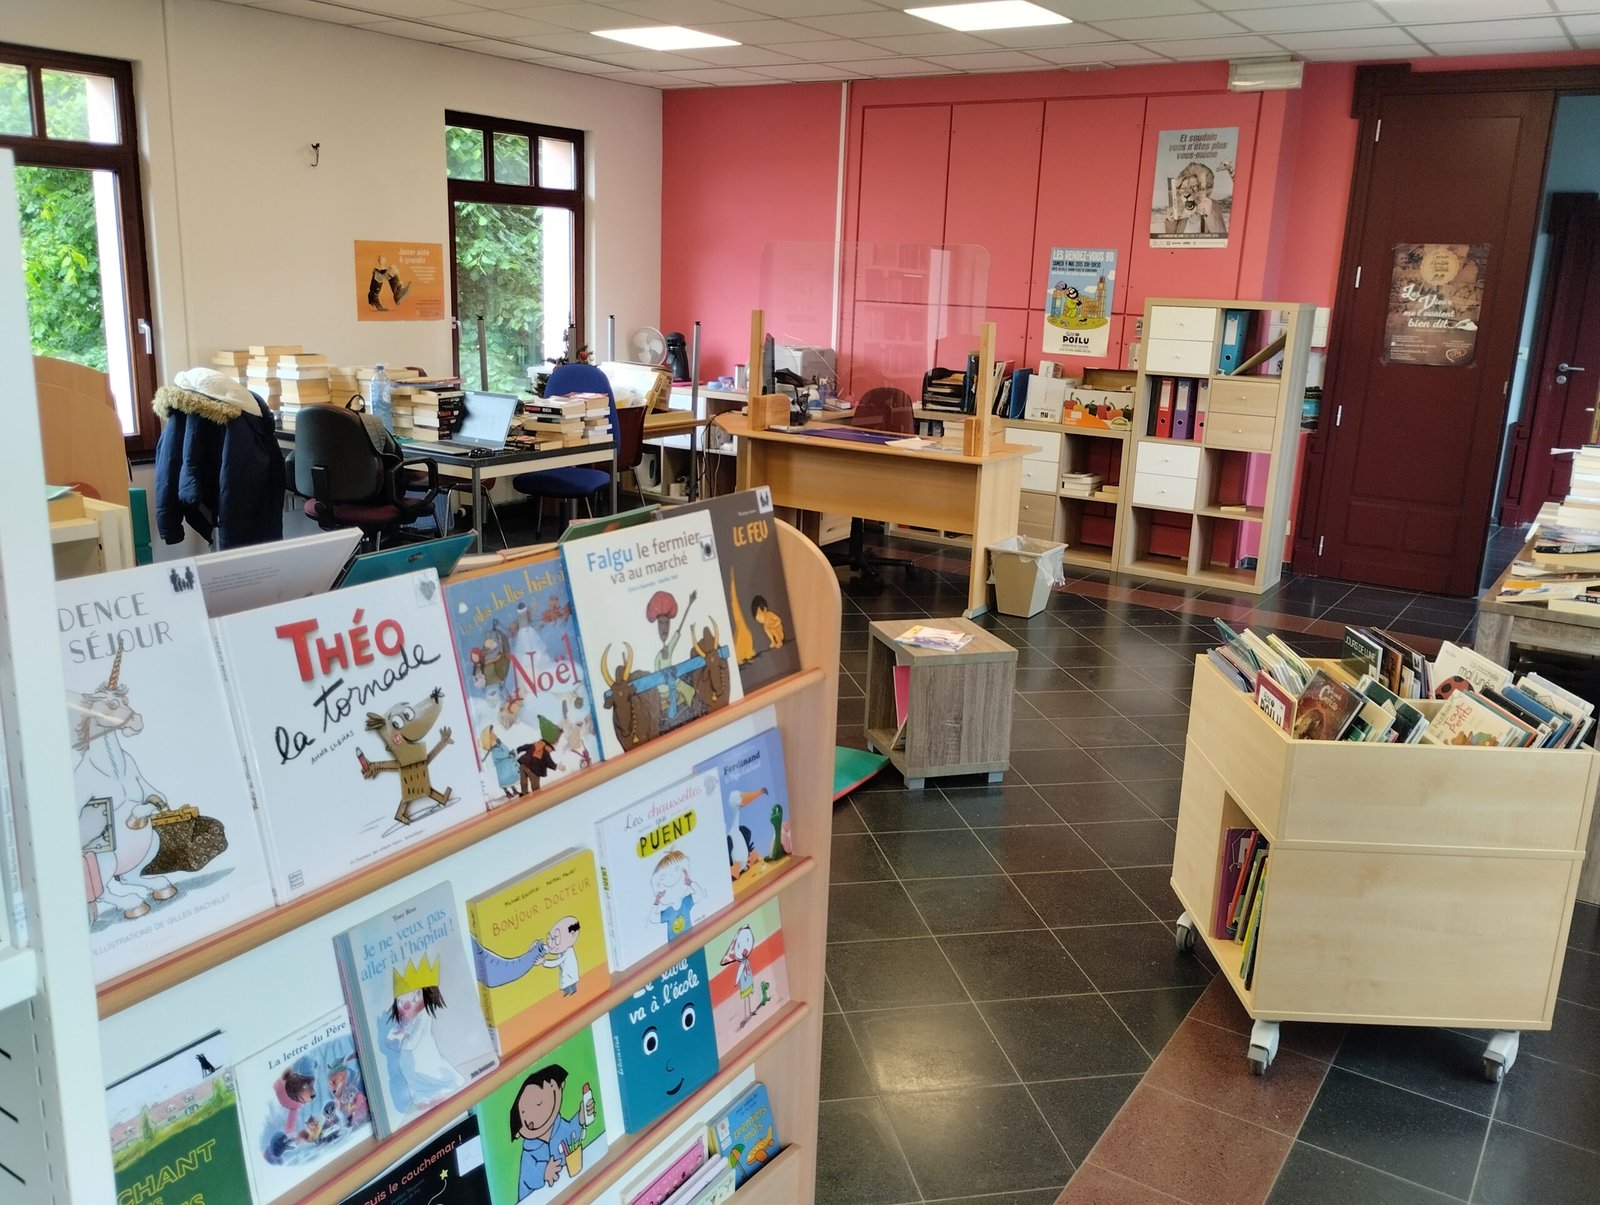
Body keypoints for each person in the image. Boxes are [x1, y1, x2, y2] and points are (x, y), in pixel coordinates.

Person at [1163, 161, 1230, 237]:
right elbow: (1170, 237)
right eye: (1183, 188)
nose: (1186, 193)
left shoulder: (1213, 205)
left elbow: (1221, 236)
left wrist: (1210, 214)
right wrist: (1170, 220)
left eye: (1193, 186)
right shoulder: (1180, 208)